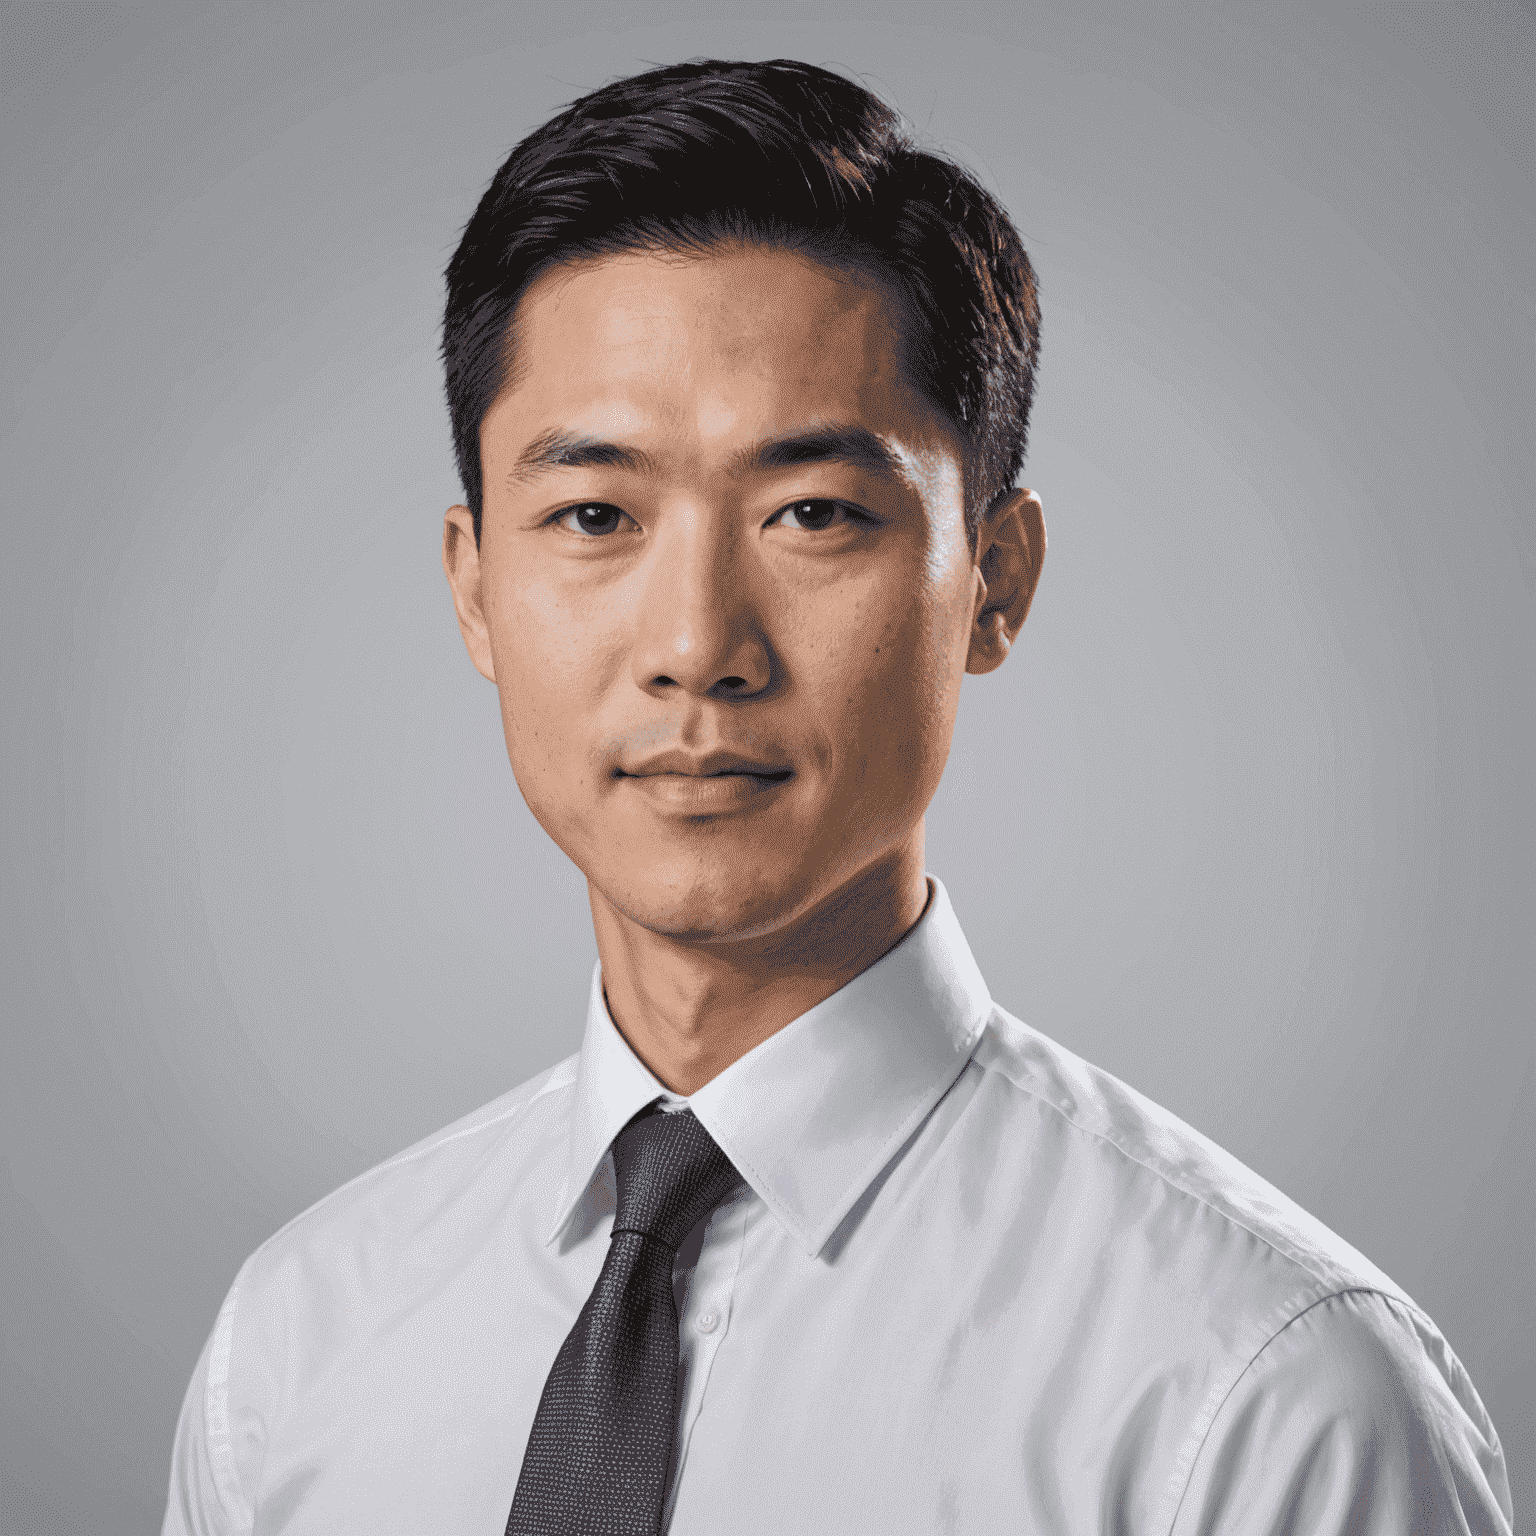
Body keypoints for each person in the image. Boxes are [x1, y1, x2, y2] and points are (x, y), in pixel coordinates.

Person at [161, 58, 1512, 1536]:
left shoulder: (1260, 1399)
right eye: (595, 515)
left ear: (994, 582)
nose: (695, 647)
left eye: (812, 514)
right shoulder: (296, 1352)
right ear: (475, 588)